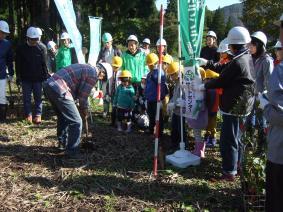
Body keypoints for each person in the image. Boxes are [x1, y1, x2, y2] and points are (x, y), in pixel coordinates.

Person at [195, 26, 255, 181]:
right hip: (243, 105)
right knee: (238, 138)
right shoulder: (245, 56)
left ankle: (229, 172)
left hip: (235, 106)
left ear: (233, 45)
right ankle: (238, 166)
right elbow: (223, 68)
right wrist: (208, 63)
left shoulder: (238, 62)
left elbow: (223, 79)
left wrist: (205, 85)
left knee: (229, 139)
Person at [43, 63, 111, 158]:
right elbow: (82, 97)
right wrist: (84, 110)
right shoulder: (93, 74)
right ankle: (72, 151)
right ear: (102, 72)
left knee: (63, 117)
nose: (100, 80)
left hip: (49, 85)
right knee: (77, 121)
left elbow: (79, 93)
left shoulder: (87, 67)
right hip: (60, 88)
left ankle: (62, 145)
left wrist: (82, 107)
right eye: (102, 78)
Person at [263, 13, 283, 212]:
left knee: (276, 200)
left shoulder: (280, 70)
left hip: (280, 151)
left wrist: (265, 106)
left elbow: (279, 115)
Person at [16, 26, 49, 124]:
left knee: (38, 97)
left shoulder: (41, 48)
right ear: (28, 38)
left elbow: (45, 63)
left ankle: (38, 115)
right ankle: (28, 115)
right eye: (32, 39)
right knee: (26, 98)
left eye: (36, 39)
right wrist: (18, 76)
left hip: (38, 78)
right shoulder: (21, 49)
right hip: (25, 78)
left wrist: (45, 75)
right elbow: (18, 64)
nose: (34, 41)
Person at [248, 31, 273, 153]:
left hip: (261, 97)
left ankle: (261, 148)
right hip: (250, 95)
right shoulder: (251, 58)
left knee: (261, 122)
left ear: (259, 45)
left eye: (252, 45)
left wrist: (265, 97)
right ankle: (249, 143)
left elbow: (270, 81)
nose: (250, 47)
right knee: (249, 121)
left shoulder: (266, 61)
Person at [144, 53, 167, 137]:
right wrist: (145, 95)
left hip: (156, 100)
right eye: (149, 65)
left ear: (156, 63)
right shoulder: (149, 73)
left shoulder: (159, 73)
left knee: (158, 117)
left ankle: (159, 133)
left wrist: (161, 98)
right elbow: (147, 86)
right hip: (150, 99)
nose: (149, 66)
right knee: (151, 116)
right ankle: (151, 130)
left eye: (151, 64)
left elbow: (162, 86)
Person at [166, 62, 187, 151]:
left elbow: (185, 99)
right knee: (174, 128)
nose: (171, 77)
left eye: (172, 75)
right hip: (175, 111)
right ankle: (174, 144)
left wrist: (175, 104)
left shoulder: (184, 84)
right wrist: (169, 104)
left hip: (182, 112)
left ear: (178, 73)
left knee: (181, 129)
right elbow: (174, 96)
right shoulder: (176, 83)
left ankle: (183, 145)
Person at [0, 20, 13, 122]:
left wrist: (11, 73)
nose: (4, 35)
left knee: (1, 96)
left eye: (5, 33)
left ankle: (2, 118)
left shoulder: (7, 44)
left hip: (1, 74)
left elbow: (9, 59)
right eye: (2, 32)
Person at [110, 56, 123, 126]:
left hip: (119, 94)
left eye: (116, 67)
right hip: (113, 93)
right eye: (114, 67)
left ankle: (118, 123)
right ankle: (112, 122)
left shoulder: (121, 74)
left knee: (118, 109)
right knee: (113, 107)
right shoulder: (112, 73)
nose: (115, 68)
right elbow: (111, 82)